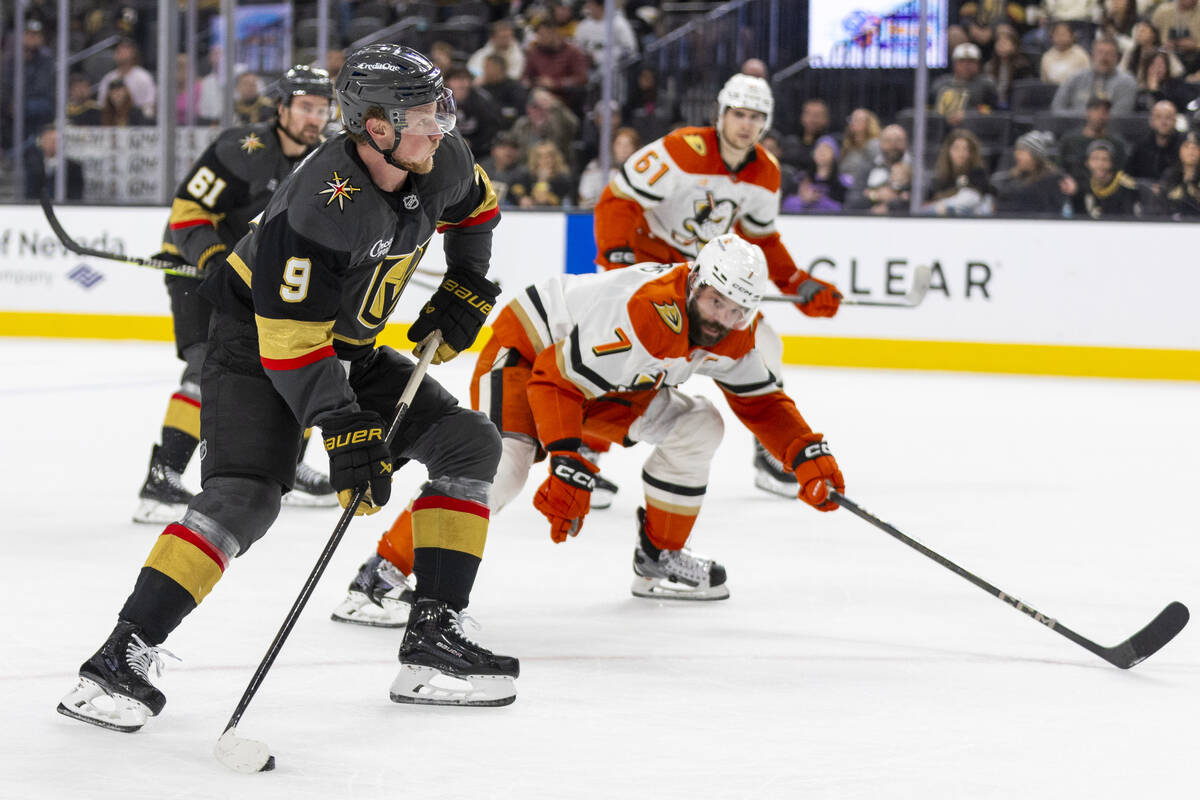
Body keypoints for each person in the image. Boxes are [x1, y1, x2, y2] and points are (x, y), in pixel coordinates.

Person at [58, 44, 518, 733]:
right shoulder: (321, 204)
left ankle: (432, 642)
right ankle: (121, 655)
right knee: (244, 498)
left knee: (469, 445)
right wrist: (344, 426)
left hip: (347, 346)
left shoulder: (438, 157)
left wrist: (468, 282)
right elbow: (292, 348)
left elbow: (478, 207)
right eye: (422, 114)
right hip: (255, 350)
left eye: (439, 108)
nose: (440, 125)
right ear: (375, 127)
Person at [329, 235, 847, 626]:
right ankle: (384, 573)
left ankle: (659, 557)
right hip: (530, 352)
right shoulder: (646, 311)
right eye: (716, 302)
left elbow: (762, 400)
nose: (723, 319)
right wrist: (569, 462)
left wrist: (804, 453)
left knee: (700, 424)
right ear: (695, 282)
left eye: (737, 310)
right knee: (503, 469)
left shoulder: (733, 330)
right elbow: (556, 377)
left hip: (608, 379)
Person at [592, 74, 841, 497]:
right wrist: (618, 258)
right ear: (721, 114)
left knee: (765, 344)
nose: (745, 124)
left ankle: (769, 452)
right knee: (628, 362)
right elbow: (619, 199)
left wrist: (798, 282)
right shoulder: (680, 149)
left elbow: (761, 238)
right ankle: (584, 453)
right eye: (738, 114)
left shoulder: (766, 171)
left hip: (706, 277)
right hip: (649, 268)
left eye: (755, 117)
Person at [132, 66, 339, 525]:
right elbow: (188, 213)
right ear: (281, 109)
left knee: (294, 361)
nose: (315, 117)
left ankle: (287, 465)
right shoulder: (242, 148)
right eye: (306, 107)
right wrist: (214, 259)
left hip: (255, 278)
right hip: (197, 267)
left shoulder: (325, 160)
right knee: (207, 364)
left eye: (322, 109)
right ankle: (161, 478)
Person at [1051, 37, 1138, 114]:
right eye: (1100, 52)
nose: (1104, 58)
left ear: (1117, 57)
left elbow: (1120, 114)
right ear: (1093, 55)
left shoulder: (1127, 82)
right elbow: (1057, 108)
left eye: (1109, 53)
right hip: (1072, 129)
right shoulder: (1075, 78)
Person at [992, 130, 1070, 215]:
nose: (1016, 154)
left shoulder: (1052, 179)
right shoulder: (1015, 177)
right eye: (1017, 150)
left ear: (1035, 156)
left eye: (1022, 151)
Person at [1057, 95, 1128, 185]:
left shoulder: (1117, 143)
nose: (1100, 115)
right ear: (1088, 112)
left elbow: (1122, 174)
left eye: (1105, 112)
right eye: (1096, 110)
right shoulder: (1070, 140)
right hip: (1075, 191)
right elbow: (1060, 170)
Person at [1062, 139, 1143, 217]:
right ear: (1087, 163)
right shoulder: (1084, 186)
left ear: (1112, 163)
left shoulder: (1125, 187)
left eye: (1105, 159)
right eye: (1095, 159)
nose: (1100, 164)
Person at [922, 128, 994, 215]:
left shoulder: (978, 175)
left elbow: (973, 199)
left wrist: (945, 204)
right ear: (948, 151)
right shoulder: (940, 178)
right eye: (956, 148)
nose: (961, 154)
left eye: (965, 149)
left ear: (971, 153)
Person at [930, 42, 999, 125]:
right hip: (941, 128)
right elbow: (929, 108)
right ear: (954, 63)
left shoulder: (986, 85)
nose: (966, 65)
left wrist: (969, 115)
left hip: (976, 128)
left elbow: (992, 110)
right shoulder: (941, 83)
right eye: (962, 61)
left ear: (978, 64)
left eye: (971, 61)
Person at [577, 126, 641, 207]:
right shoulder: (596, 166)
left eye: (628, 144)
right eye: (619, 144)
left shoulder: (641, 170)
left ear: (635, 148)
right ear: (613, 146)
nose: (624, 149)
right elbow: (585, 197)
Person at [96, 37, 156, 119]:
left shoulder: (143, 77)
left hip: (137, 122)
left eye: (125, 49)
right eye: (118, 50)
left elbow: (149, 106)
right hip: (112, 123)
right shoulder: (108, 78)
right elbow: (102, 104)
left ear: (133, 52)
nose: (121, 52)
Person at [22, 124, 85, 200]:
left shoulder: (74, 167)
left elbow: (76, 195)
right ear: (42, 141)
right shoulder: (32, 165)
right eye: (48, 140)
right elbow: (30, 193)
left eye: (55, 140)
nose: (52, 143)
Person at [1125, 99, 1184, 181]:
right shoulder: (1140, 146)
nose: (1163, 122)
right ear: (1151, 121)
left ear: (1175, 121)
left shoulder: (1184, 146)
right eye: (1158, 117)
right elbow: (1129, 176)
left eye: (1168, 117)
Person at [1159, 130, 1200, 216]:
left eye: (1195, 147)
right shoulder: (1170, 175)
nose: (1191, 151)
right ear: (1180, 150)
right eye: (1186, 146)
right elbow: (1163, 203)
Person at [1039, 21, 1092, 85]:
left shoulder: (1081, 55)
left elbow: (1088, 79)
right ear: (1052, 37)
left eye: (1063, 34)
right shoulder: (1047, 57)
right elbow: (1044, 81)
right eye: (1057, 34)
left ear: (1072, 36)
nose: (1060, 38)